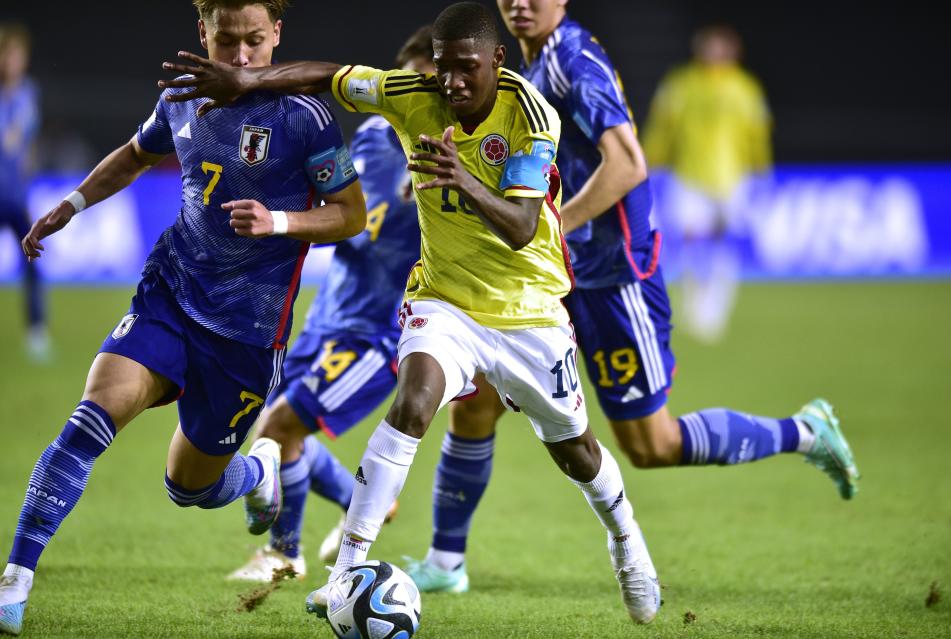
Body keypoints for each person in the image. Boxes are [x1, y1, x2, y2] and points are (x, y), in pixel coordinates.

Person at [160, 1, 663, 625]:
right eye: (445, 69)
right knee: (413, 403)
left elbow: (521, 225)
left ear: (497, 62)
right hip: (444, 300)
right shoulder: (413, 93)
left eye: (466, 69)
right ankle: (346, 570)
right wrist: (249, 79)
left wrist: (463, 178)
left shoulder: (534, 116)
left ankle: (626, 542)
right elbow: (330, 75)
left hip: (529, 310)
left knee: (576, 451)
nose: (451, 82)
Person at [400, 0, 860, 595]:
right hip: (551, 277)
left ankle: (804, 431)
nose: (520, 3)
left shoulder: (573, 60)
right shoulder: (523, 66)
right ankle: (445, 560)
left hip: (613, 274)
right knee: (477, 399)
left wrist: (552, 225)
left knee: (652, 445)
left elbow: (628, 163)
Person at [0, 1, 366, 635]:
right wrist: (73, 202)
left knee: (188, 488)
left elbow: (352, 214)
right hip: (172, 294)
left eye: (256, 40)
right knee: (92, 415)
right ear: (204, 33)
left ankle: (257, 472)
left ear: (278, 33)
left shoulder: (306, 118)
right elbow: (138, 153)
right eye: (228, 41)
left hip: (248, 335)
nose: (243, 56)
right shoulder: (181, 95)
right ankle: (15, 579)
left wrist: (280, 221)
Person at [226, 26, 433, 583]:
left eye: (431, 83)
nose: (419, 93)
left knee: (280, 425)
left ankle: (283, 553)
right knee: (265, 429)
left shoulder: (448, 161)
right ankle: (360, 500)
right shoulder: (369, 136)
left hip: (378, 334)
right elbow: (344, 209)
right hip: (327, 314)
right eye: (408, 82)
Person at [643, 24, 773, 343]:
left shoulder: (745, 88)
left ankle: (716, 310)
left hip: (733, 177)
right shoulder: (681, 85)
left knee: (724, 243)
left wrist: (760, 170)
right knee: (692, 240)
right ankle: (696, 309)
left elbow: (757, 133)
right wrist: (649, 161)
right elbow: (662, 128)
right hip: (690, 176)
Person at [0, 23, 48, 362]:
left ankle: (36, 332)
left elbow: (22, 144)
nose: (12, 61)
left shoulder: (28, 93)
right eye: (7, 54)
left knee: (32, 260)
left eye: (17, 55)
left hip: (16, 195)